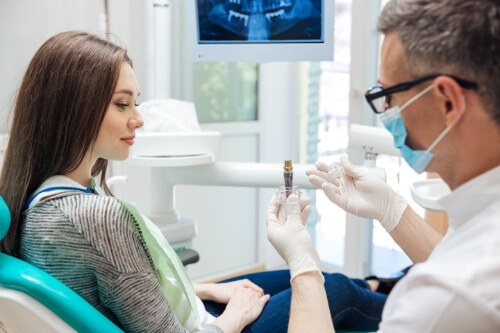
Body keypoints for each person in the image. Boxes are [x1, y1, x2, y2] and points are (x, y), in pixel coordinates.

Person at [0, 30, 391, 333]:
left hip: (186, 313)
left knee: (303, 280)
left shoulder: (39, 197)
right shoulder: (92, 217)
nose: (138, 118)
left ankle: (381, 285)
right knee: (334, 289)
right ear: (73, 107)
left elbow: (123, 294)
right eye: (122, 104)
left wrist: (206, 290)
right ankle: (415, 303)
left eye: (136, 101)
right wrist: (233, 316)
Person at [267, 0, 500, 332]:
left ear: (447, 100)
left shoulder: (447, 297)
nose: (386, 111)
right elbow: (458, 254)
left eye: (388, 95)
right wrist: (392, 210)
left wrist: (303, 267)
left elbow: (460, 280)